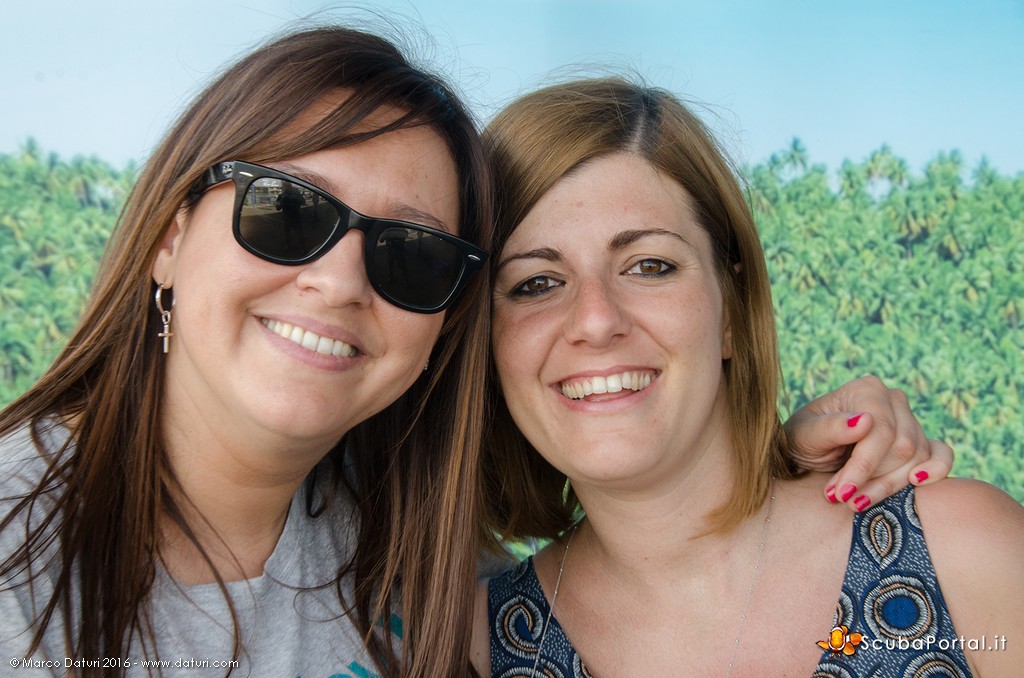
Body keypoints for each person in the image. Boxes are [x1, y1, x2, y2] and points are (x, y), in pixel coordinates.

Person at [0, 25, 951, 678]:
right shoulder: (16, 550)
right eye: (286, 212)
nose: (338, 281)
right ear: (170, 238)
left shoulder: (431, 566)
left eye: (411, 255)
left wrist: (782, 459)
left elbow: (673, 551)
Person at [473, 77, 1023, 677]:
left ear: (731, 309)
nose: (597, 320)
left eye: (649, 266)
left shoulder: (964, 551)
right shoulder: (469, 647)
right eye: (536, 283)